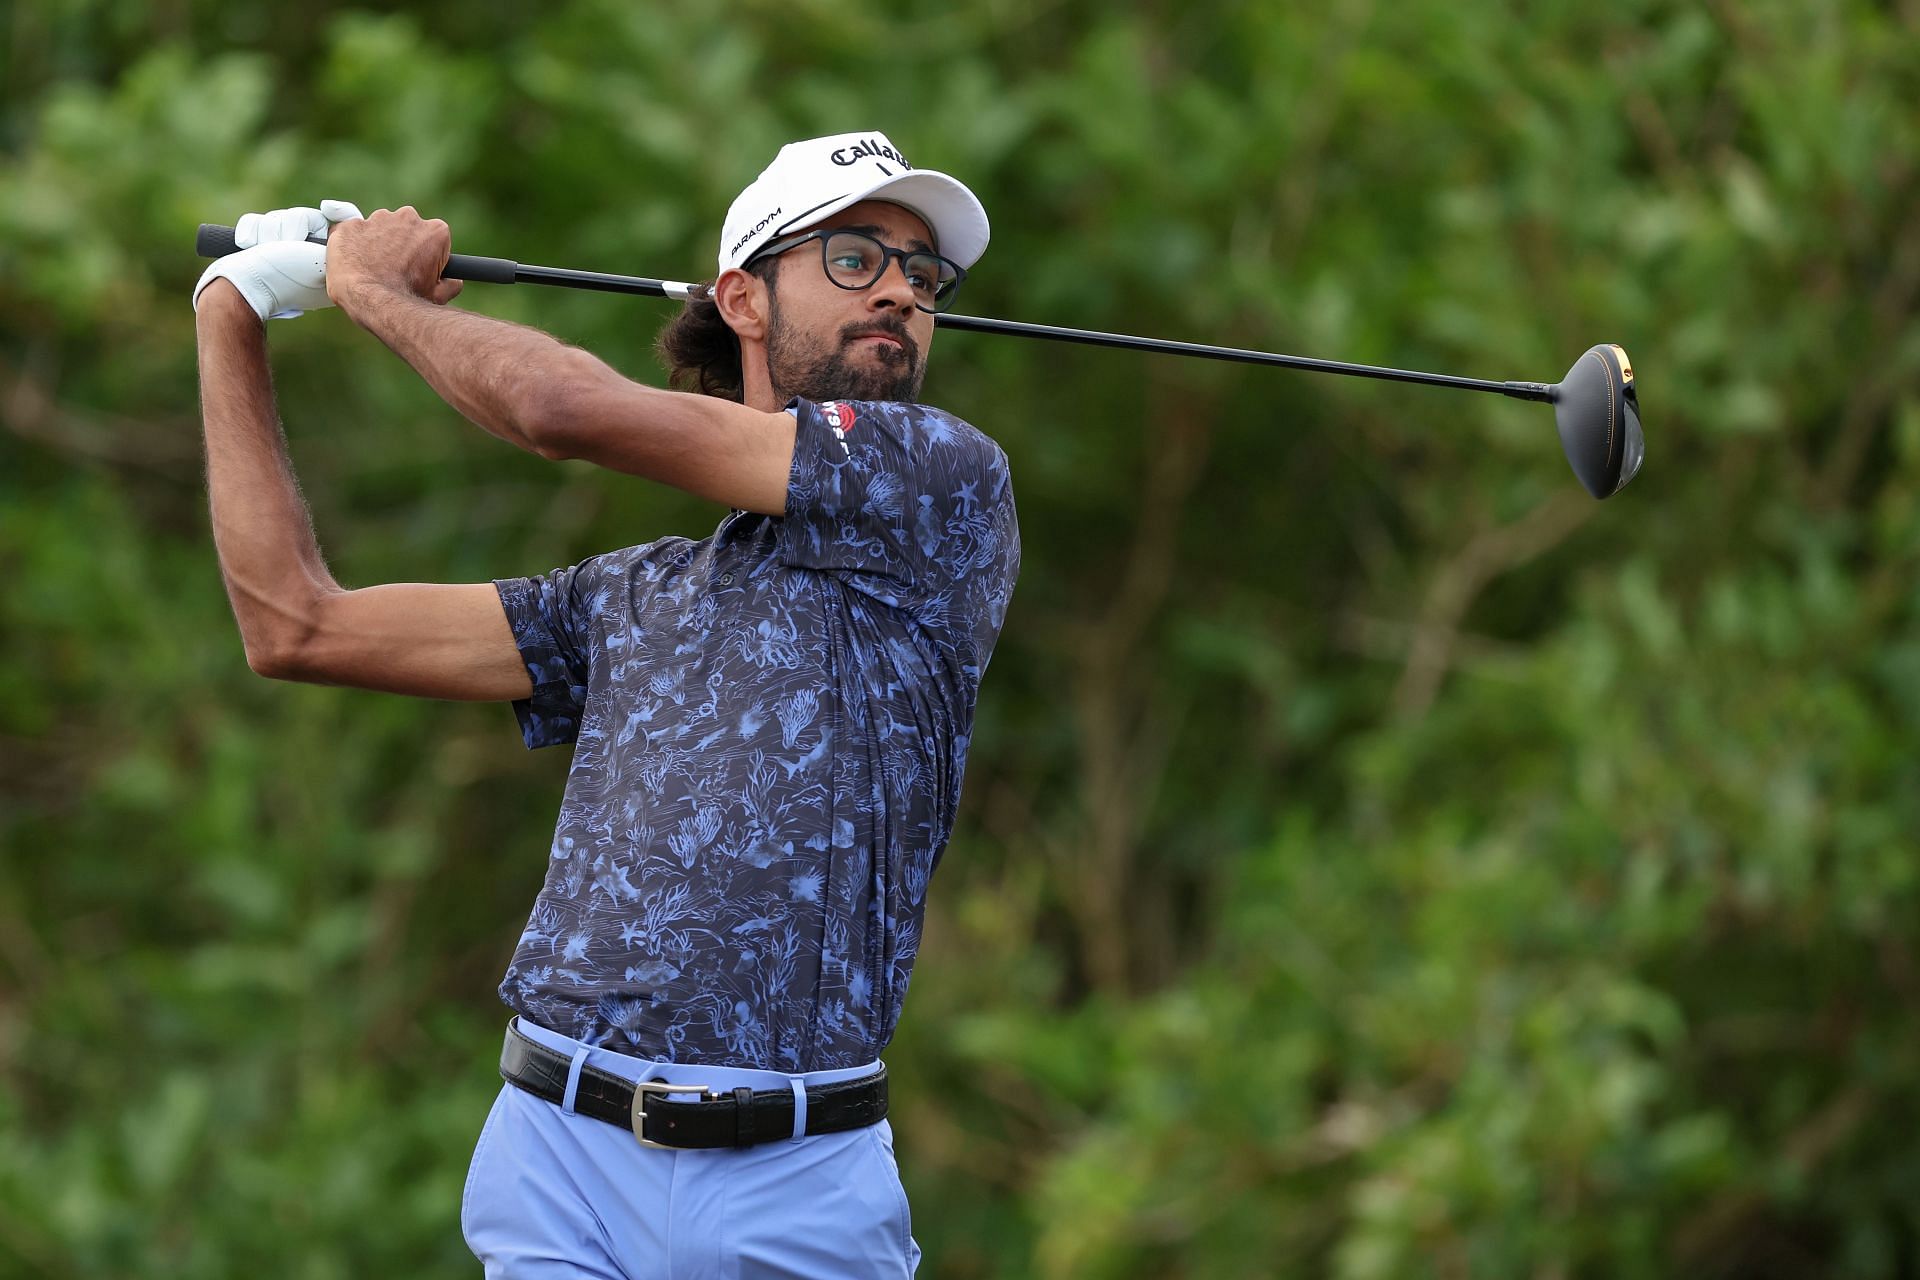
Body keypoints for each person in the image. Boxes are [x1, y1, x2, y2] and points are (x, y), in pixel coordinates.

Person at [192, 131, 1020, 1279]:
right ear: (741, 296)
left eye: (922, 277)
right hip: (561, 1159)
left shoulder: (942, 484)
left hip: (799, 1183)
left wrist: (373, 291)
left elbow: (559, 411)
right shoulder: (629, 595)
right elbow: (294, 623)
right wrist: (230, 311)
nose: (898, 290)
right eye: (851, 256)